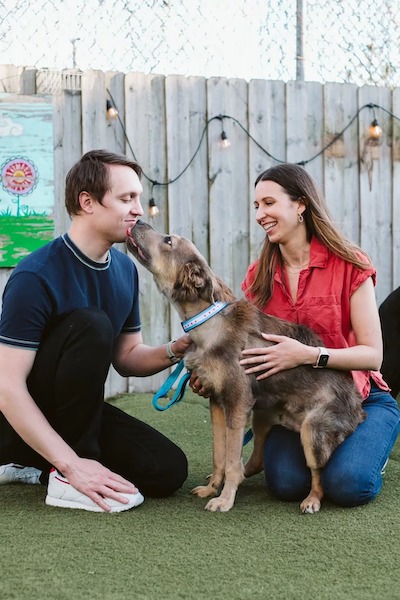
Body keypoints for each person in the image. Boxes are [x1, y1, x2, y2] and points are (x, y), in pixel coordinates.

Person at [192, 163, 400, 508]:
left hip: (360, 399)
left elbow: (372, 355)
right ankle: (289, 455)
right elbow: (246, 352)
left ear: (300, 204)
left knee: (349, 485)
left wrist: (307, 354)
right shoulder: (260, 275)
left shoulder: (350, 264)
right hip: (295, 406)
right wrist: (213, 377)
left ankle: (364, 447)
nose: (260, 214)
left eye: (269, 203)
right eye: (257, 206)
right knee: (286, 483)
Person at [0, 149, 191, 513]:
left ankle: (33, 466)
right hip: (14, 419)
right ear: (87, 202)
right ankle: (60, 473)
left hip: (78, 413)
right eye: (125, 198)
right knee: (90, 322)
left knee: (166, 470)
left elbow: (127, 358)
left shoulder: (124, 269)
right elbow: (7, 389)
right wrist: (74, 466)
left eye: (137, 197)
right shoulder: (35, 274)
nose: (137, 208)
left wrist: (176, 348)